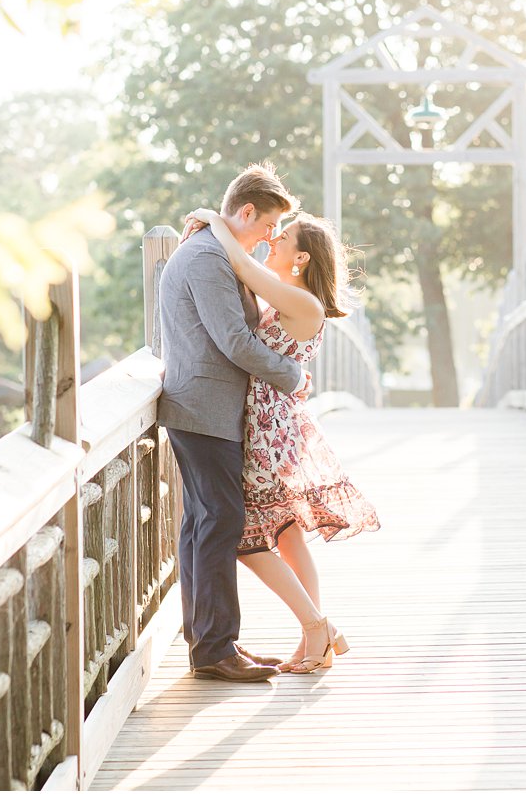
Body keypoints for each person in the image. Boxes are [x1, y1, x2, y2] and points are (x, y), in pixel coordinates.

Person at [189, 205, 381, 674]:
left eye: (283, 236)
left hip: (269, 431)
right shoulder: (289, 299)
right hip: (271, 423)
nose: (272, 239)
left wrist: (215, 222)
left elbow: (242, 265)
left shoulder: (303, 303)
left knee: (248, 539)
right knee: (287, 534)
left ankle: (317, 628)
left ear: (301, 260)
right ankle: (317, 637)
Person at [158, 163, 307, 683]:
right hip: (204, 408)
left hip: (205, 407)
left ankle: (211, 645)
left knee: (205, 524)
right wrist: (292, 374)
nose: (270, 237)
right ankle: (217, 649)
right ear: (245, 212)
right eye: (268, 226)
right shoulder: (206, 258)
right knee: (219, 522)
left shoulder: (214, 250)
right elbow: (235, 342)